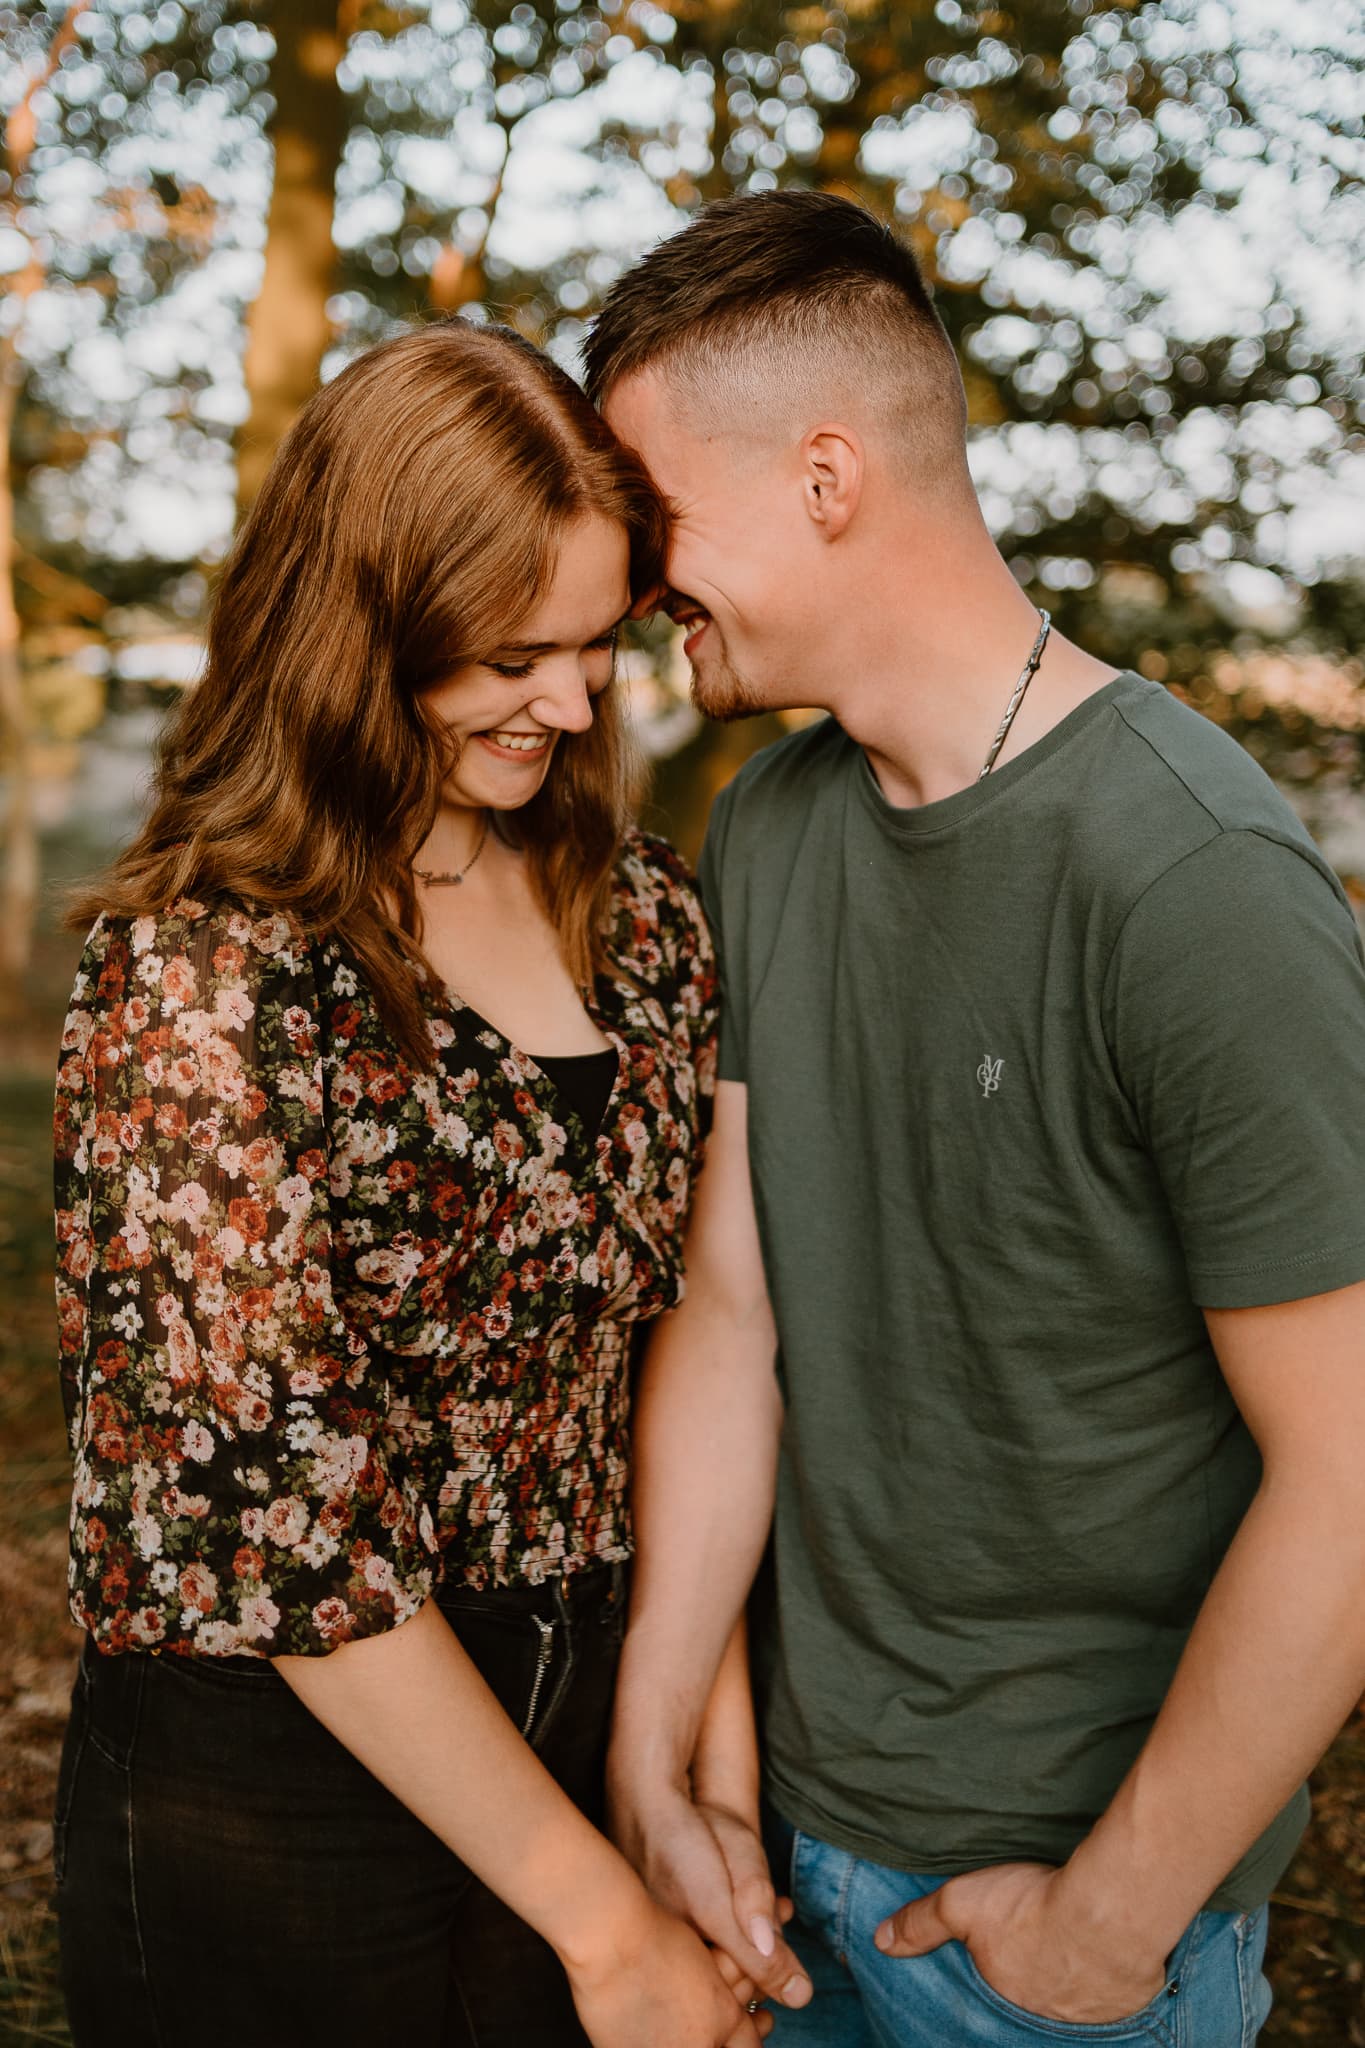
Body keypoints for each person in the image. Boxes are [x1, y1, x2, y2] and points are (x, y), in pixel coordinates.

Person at [586, 190, 1365, 2046]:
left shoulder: (1190, 879)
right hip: (783, 1871)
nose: (626, 581)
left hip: (1056, 1932)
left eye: (652, 513)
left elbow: (1349, 1473)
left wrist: (1111, 1922)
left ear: (827, 477)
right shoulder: (768, 828)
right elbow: (734, 1312)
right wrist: (658, 1731)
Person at [50, 317, 770, 2048]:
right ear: (361, 627)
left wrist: (700, 1777)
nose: (575, 701)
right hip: (278, 1776)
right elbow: (277, 1518)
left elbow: (684, 1340)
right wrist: (605, 1931)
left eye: (599, 643)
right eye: (514, 653)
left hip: (592, 1687)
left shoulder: (646, 914)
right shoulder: (201, 971)